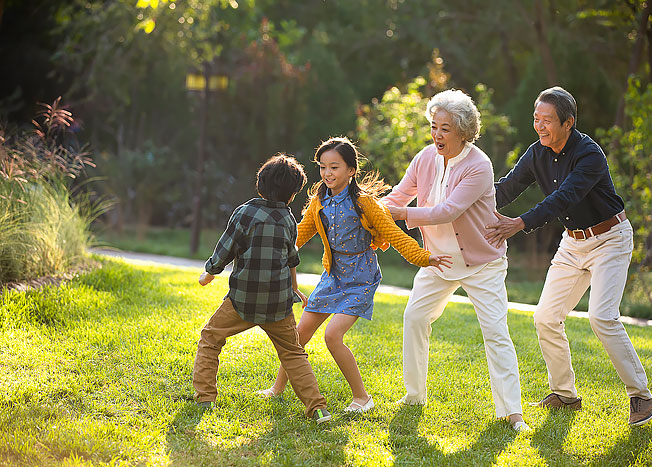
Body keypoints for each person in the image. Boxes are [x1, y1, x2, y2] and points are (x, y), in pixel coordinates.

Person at [485, 86, 652, 426]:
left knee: (602, 317)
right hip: (573, 243)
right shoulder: (537, 153)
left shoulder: (589, 154)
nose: (540, 126)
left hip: (610, 238)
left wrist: (520, 223)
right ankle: (565, 395)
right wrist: (466, 205)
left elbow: (563, 198)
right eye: (536, 119)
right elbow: (505, 188)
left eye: (547, 120)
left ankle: (641, 396)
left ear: (568, 122)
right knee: (545, 317)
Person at [258, 137, 452, 413]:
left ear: (351, 170)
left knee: (332, 336)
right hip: (332, 276)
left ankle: (362, 398)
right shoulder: (318, 203)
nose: (327, 173)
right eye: (323, 167)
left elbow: (394, 235)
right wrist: (272, 253)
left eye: (334, 167)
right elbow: (298, 235)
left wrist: (423, 257)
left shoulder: (365, 203)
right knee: (299, 334)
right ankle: (277, 388)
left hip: (361, 279)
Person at [384, 89, 530, 431]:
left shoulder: (479, 165)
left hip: (482, 263)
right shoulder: (424, 158)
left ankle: (512, 412)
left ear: (463, 131)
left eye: (445, 128)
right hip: (439, 262)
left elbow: (448, 210)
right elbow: (399, 194)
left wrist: (399, 213)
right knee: (415, 317)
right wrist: (376, 212)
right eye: (434, 126)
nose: (437, 134)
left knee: (495, 332)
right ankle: (414, 394)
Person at [193, 154, 332, 424]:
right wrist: (295, 289)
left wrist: (209, 273)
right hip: (278, 304)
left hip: (242, 300)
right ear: (292, 194)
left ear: (260, 183)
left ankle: (205, 400)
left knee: (210, 339)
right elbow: (291, 259)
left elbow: (226, 248)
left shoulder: (244, 213)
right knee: (293, 353)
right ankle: (318, 408)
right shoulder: (289, 220)